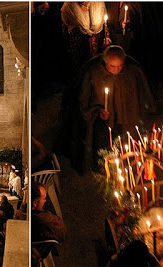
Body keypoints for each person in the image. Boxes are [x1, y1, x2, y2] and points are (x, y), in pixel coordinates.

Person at [63, 45, 155, 174]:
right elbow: (83, 100)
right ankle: (105, 166)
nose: (117, 70)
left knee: (127, 140)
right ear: (105, 62)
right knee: (105, 143)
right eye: (112, 66)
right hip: (104, 123)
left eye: (120, 66)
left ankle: (128, 163)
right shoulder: (94, 73)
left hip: (127, 118)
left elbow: (142, 95)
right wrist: (97, 110)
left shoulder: (132, 71)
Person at [61, 2, 107, 72]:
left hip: (96, 49)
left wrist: (106, 38)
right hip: (78, 50)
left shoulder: (98, 4)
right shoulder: (69, 8)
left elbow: (105, 25)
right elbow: (66, 35)